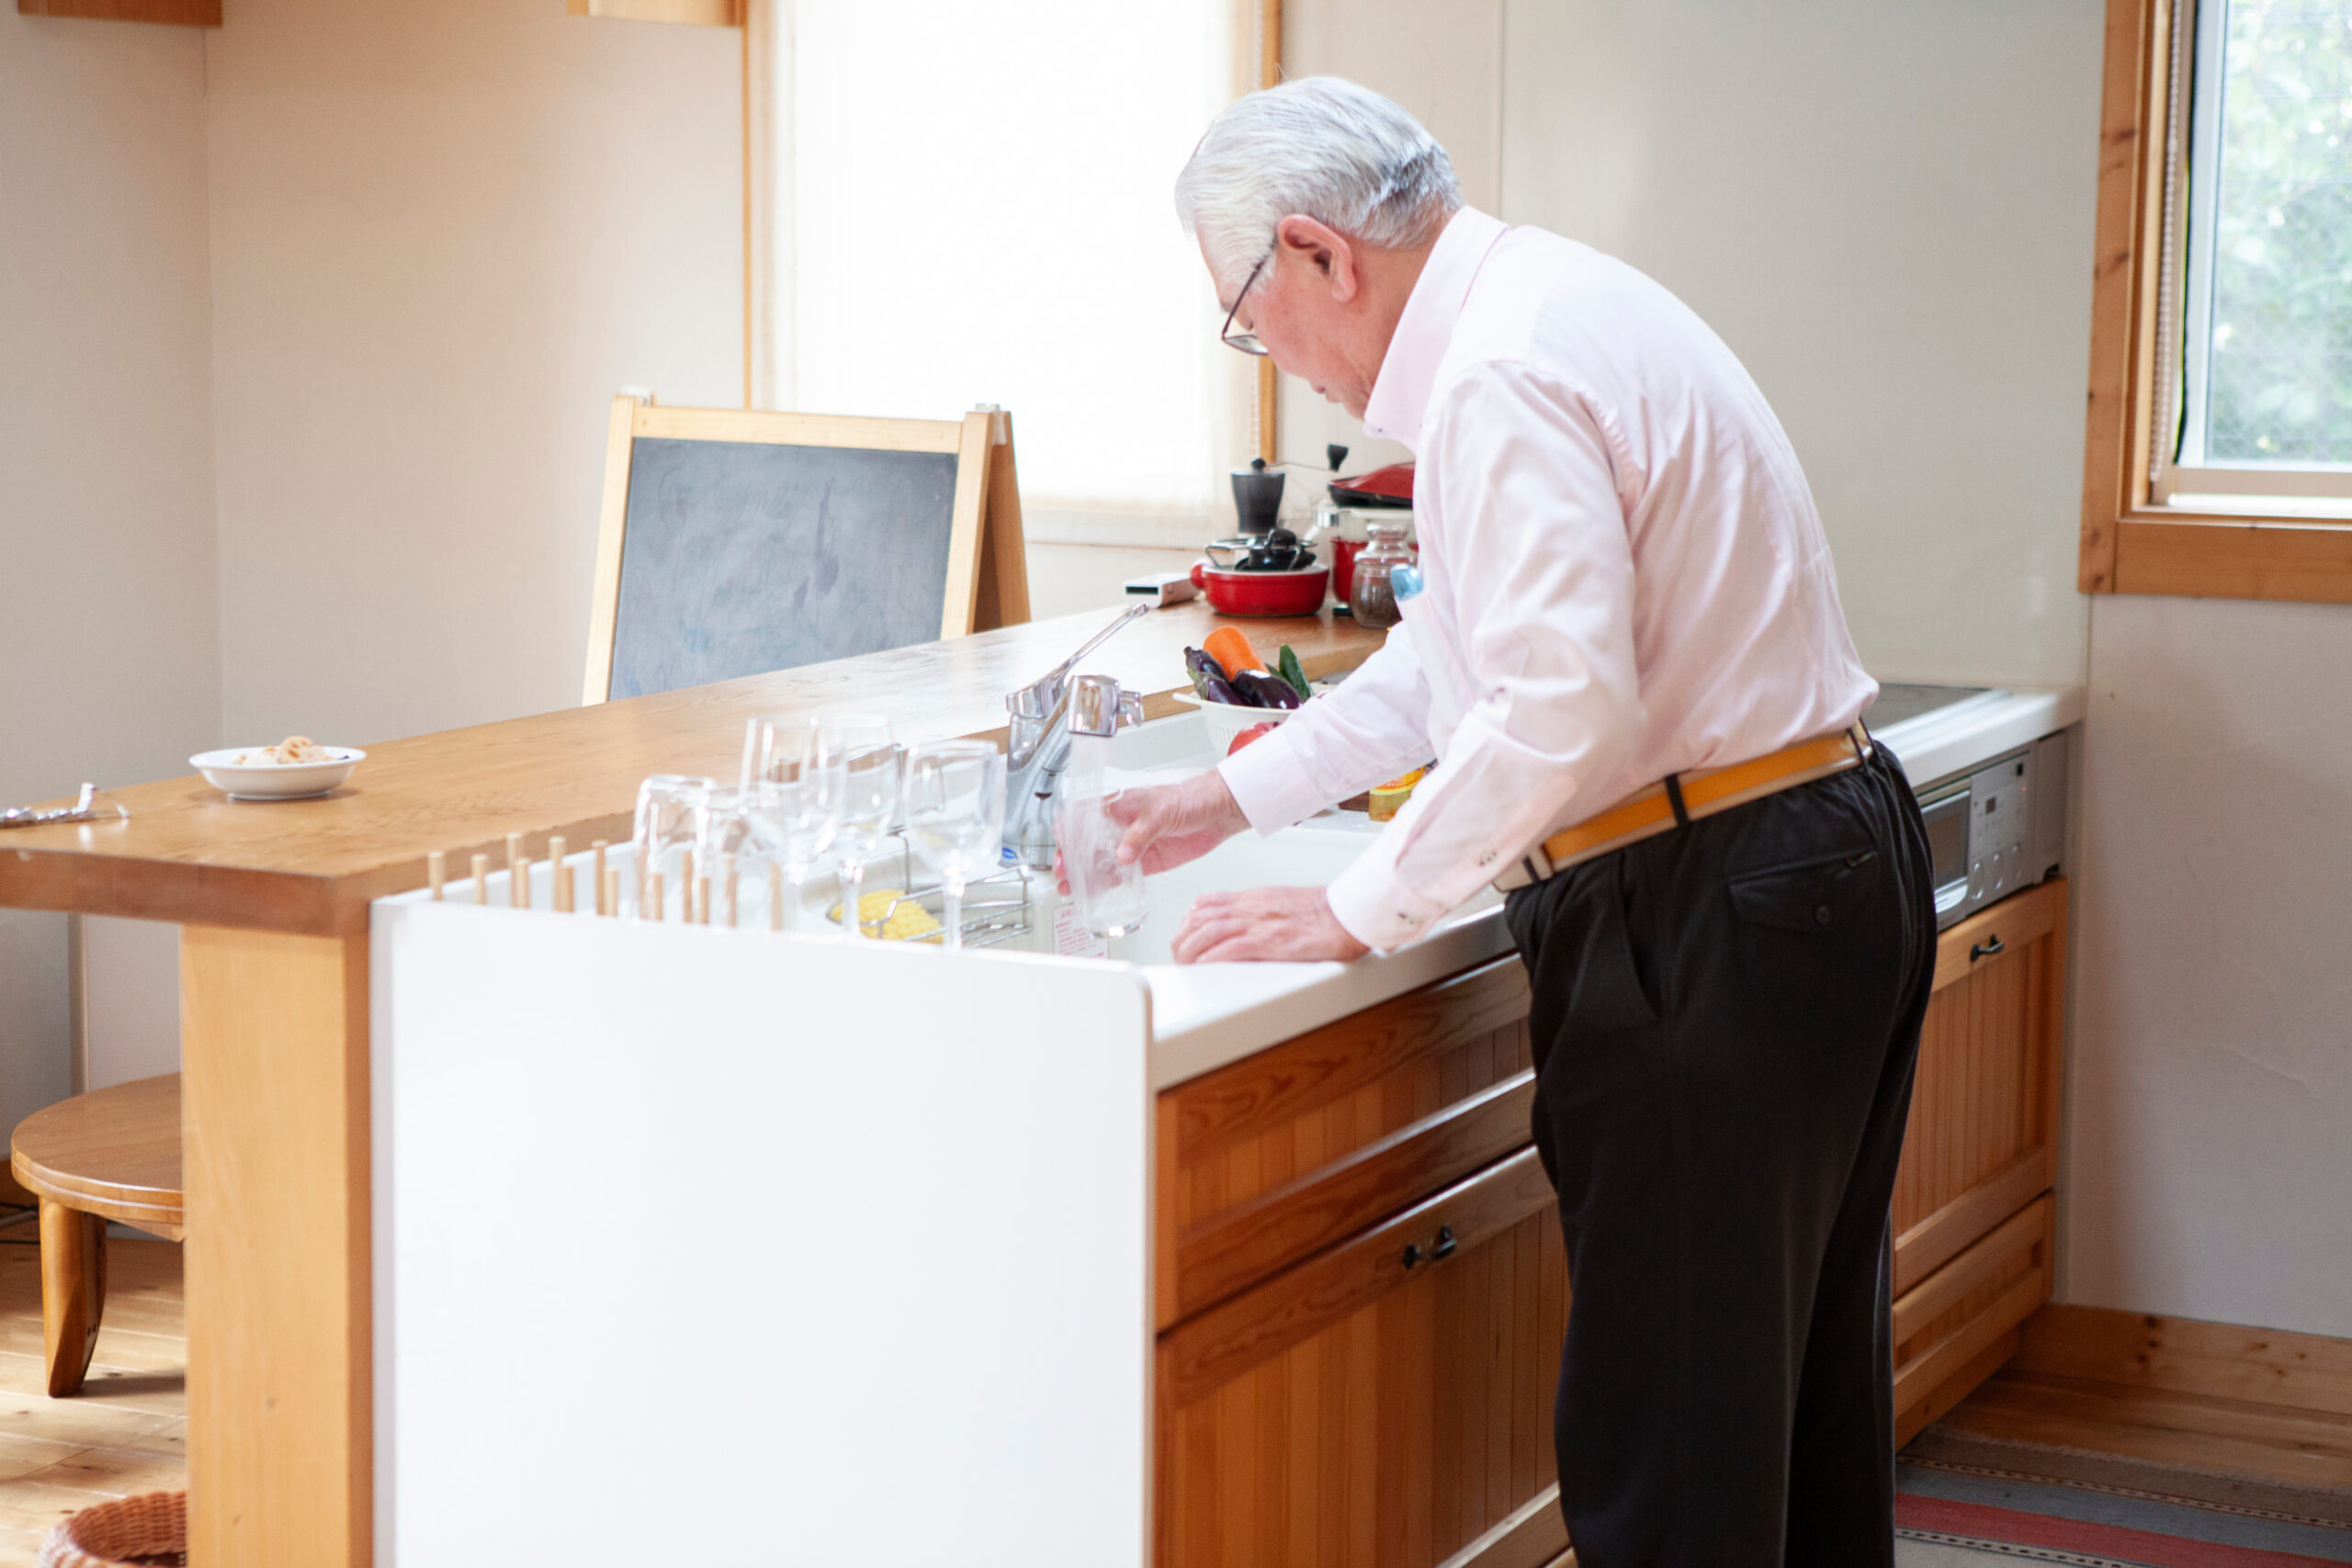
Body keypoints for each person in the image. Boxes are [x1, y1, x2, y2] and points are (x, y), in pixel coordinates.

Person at [1117, 77, 1939, 1567]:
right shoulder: (1549, 305)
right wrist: (1227, 801)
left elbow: (1558, 706)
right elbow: (1456, 660)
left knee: (1675, 1461)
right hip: (1812, 853)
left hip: (1711, 901)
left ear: (1318, 253)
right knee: (1796, 1422)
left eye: (1247, 311)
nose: (1271, 357)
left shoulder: (1496, 373)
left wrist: (1356, 905)